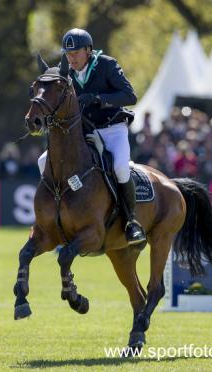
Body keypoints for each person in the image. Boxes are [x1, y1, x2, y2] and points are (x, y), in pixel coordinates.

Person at [37, 28, 145, 245]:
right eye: (68, 54)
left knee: (121, 168)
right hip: (84, 132)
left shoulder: (106, 65)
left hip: (112, 128)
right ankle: (60, 216)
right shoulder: (64, 73)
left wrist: (96, 98)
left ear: (88, 50)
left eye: (75, 52)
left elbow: (129, 95)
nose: (71, 58)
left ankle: (131, 222)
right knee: (43, 161)